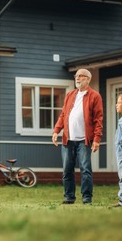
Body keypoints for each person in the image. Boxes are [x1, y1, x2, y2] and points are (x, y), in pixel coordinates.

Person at [52, 68, 103, 205]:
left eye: (81, 76)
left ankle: (87, 197)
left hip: (84, 141)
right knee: (67, 170)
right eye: (76, 76)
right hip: (68, 140)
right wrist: (56, 130)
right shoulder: (70, 95)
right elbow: (63, 115)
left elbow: (98, 119)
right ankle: (69, 197)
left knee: (85, 170)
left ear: (88, 79)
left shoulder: (95, 96)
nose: (78, 78)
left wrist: (97, 139)